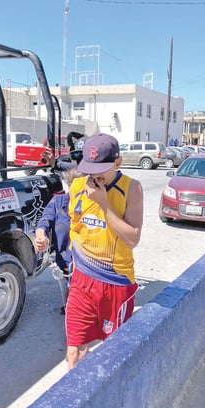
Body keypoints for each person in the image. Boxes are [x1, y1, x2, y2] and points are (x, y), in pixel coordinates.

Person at [65, 133, 143, 370]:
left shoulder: (131, 188)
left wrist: (103, 203)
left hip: (115, 282)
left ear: (118, 163)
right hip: (82, 280)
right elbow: (74, 228)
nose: (93, 175)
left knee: (114, 353)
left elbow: (132, 238)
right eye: (89, 168)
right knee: (75, 350)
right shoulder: (78, 185)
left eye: (101, 169)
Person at [35, 168, 82, 314]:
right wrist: (40, 236)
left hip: (84, 266)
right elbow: (44, 221)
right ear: (69, 185)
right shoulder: (58, 201)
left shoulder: (91, 206)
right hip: (63, 263)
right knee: (68, 302)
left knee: (80, 308)